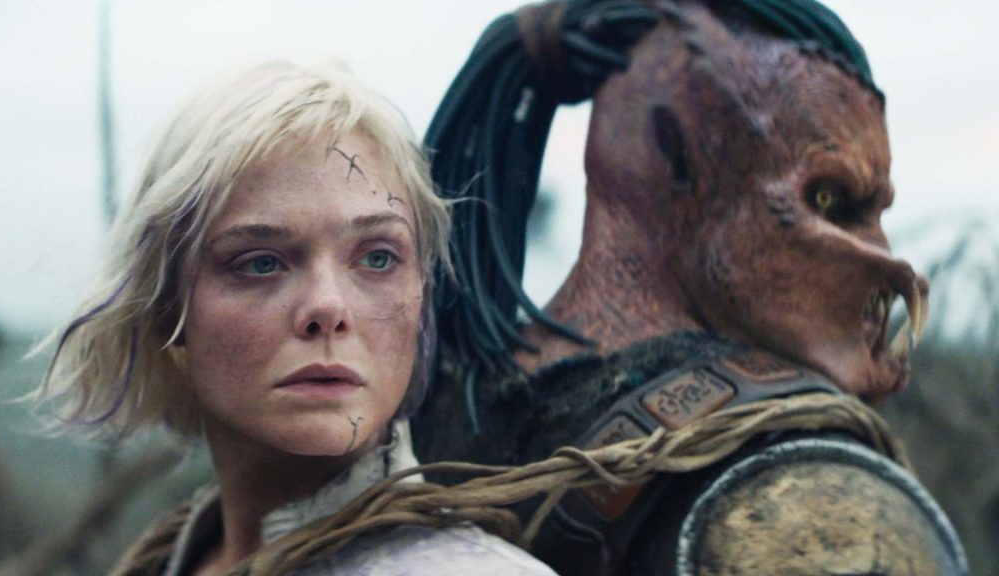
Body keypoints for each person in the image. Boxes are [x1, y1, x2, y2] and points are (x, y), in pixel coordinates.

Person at [412, 0, 968, 574]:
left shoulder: (422, 412)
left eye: (876, 214)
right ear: (676, 155)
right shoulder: (819, 503)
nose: (882, 256)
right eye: (830, 199)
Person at [31, 61, 557, 576]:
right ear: (168, 303)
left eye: (378, 257)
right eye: (261, 263)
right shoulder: (170, 559)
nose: (328, 308)